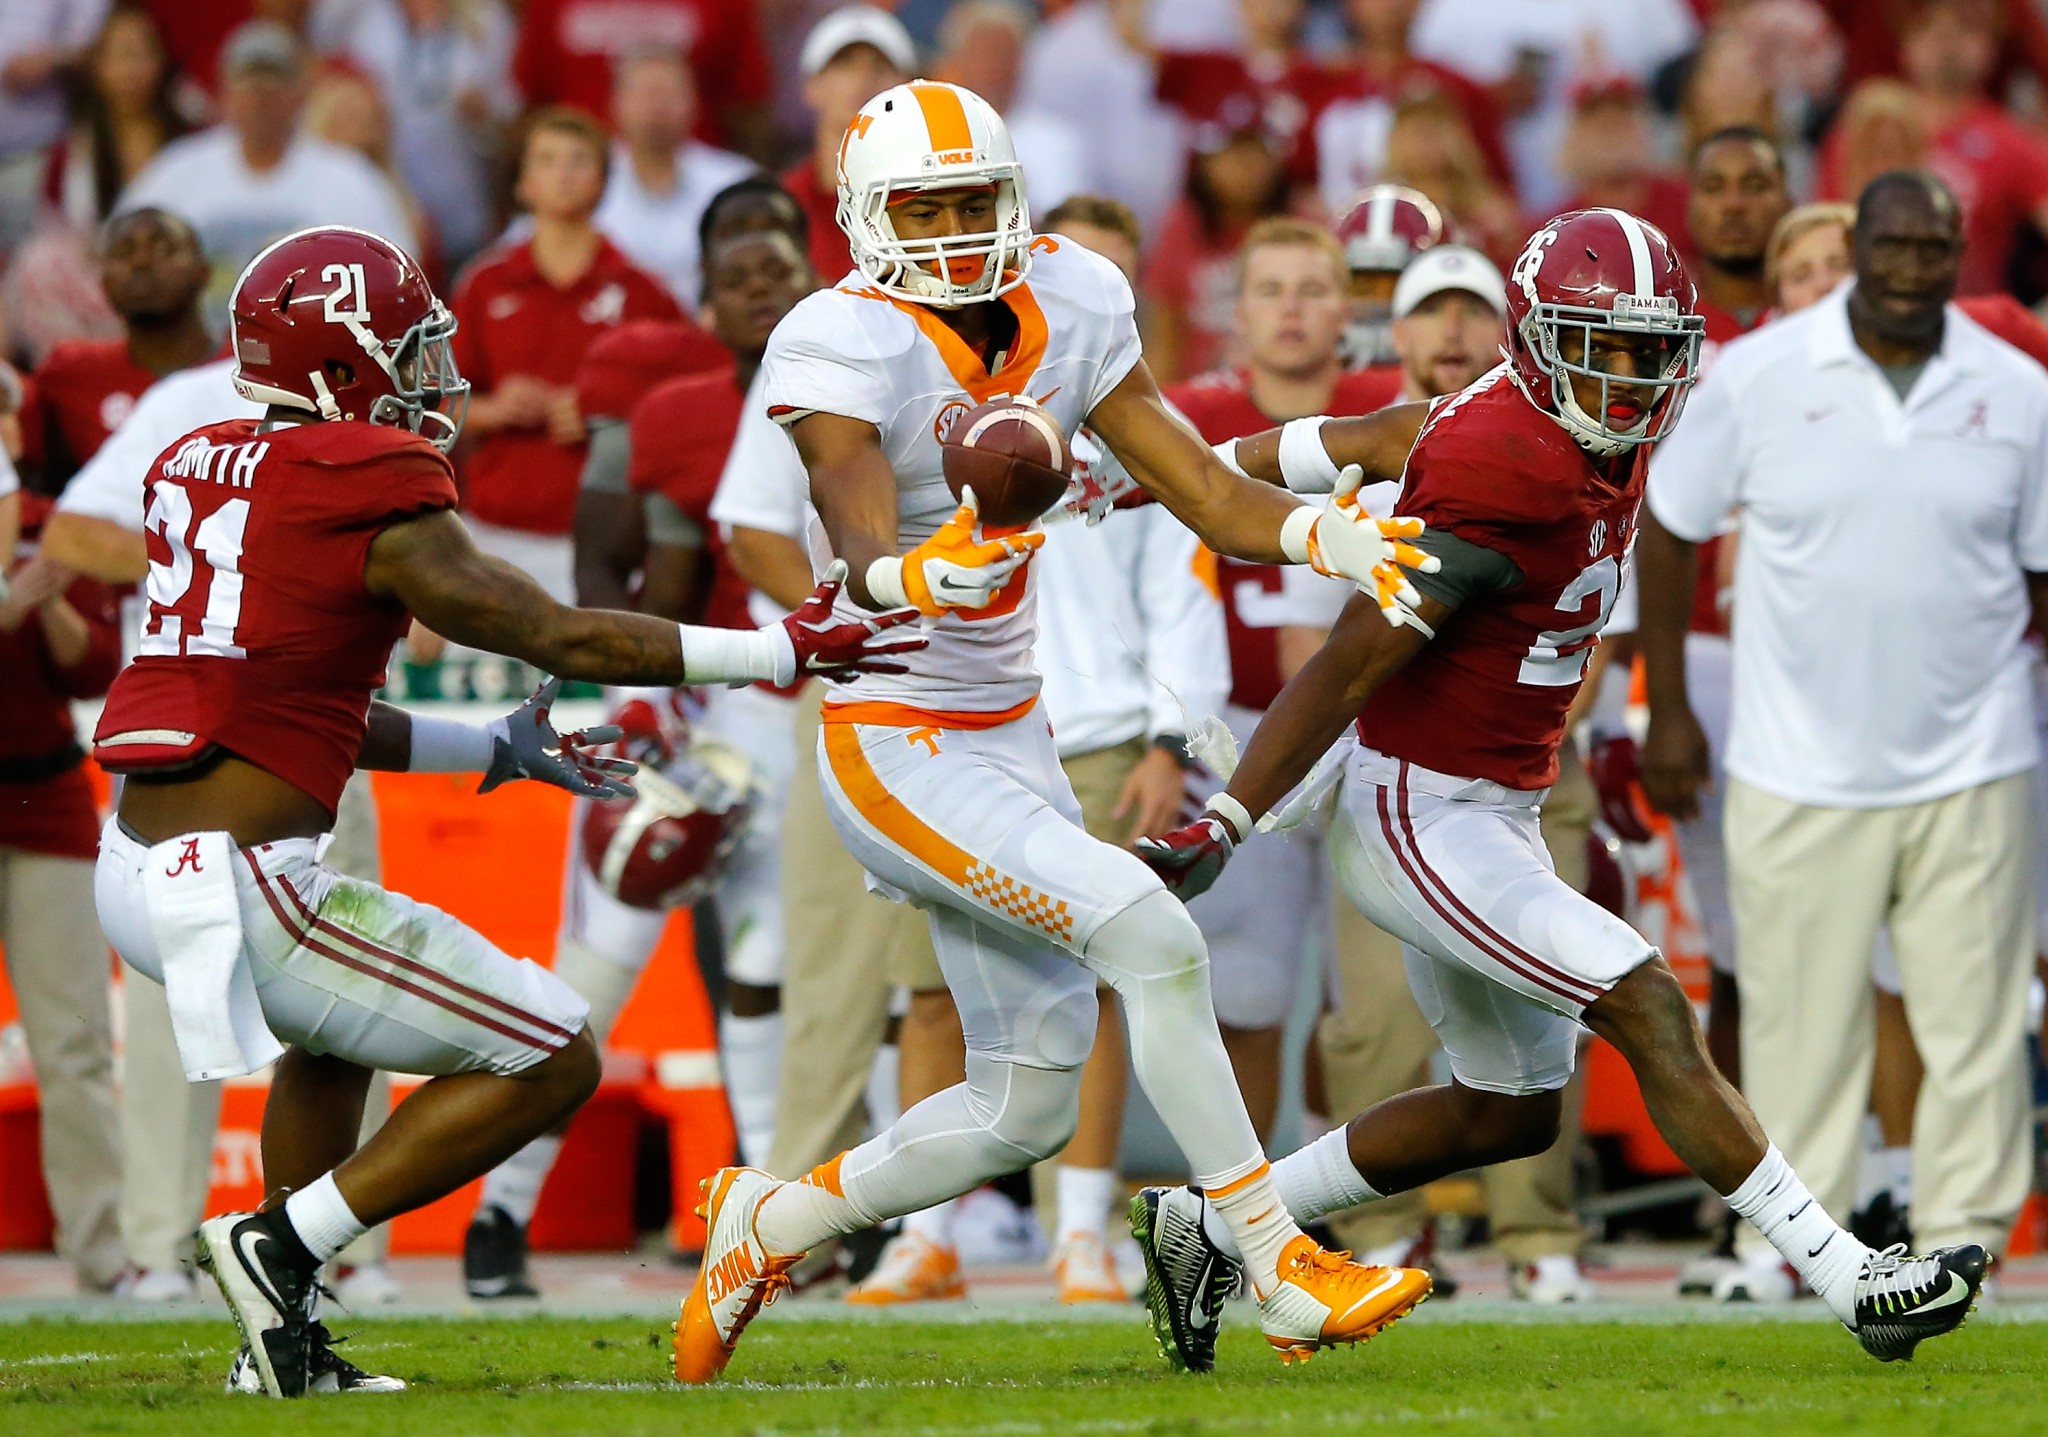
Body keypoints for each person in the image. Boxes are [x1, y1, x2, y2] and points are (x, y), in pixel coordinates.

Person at [673, 79, 1444, 1385]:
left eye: (978, 196)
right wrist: (911, 578)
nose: (964, 227)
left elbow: (1194, 481)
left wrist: (1323, 532)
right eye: (930, 204)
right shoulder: (835, 334)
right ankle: (1273, 1257)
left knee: (1020, 1103)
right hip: (892, 732)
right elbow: (854, 517)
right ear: (868, 215)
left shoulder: (1076, 296)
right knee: (1151, 930)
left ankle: (769, 1221)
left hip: (1011, 725)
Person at [1130, 205, 1989, 1373]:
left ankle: (1214, 1226)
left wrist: (1184, 469)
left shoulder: (1536, 419)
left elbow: (1368, 433)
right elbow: (1347, 660)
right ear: (1538, 340)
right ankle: (1850, 1278)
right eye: (1601, 344)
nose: (1628, 376)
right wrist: (1227, 817)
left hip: (1492, 802)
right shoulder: (1502, 468)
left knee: (1510, 1109)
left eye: (1647, 348)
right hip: (1420, 811)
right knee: (1643, 1003)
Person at [90, 223, 921, 1397]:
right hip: (245, 878)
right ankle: (281, 1246)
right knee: (552, 1054)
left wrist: (490, 746)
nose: (433, 369)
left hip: (136, 858)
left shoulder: (202, 465)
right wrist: (781, 646)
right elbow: (555, 631)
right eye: (411, 345)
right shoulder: (365, 483)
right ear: (344, 363)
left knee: (331, 1047)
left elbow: (303, 709)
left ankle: (275, 1345)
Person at [1635, 172, 2048, 1302]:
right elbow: (1667, 530)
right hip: (1791, 754)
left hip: (1975, 750)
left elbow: (2043, 572)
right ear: (1858, 245)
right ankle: (1789, 1247)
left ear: (1960, 254)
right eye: (1894, 245)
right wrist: (1667, 707)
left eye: (1934, 248)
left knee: (1972, 1015)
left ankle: (1961, 1234)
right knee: (1795, 1020)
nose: (1913, 267)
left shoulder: (2016, 392)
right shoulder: (1758, 376)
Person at [463, 197, 815, 1300]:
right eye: (739, 270)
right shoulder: (668, 409)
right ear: (704, 303)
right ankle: (498, 1215)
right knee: (600, 964)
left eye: (781, 264)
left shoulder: (873, 400)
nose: (762, 285)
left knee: (766, 973)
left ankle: (773, 1224)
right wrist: (642, 704)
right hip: (701, 707)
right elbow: (609, 577)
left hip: (806, 717)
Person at [1303, 240, 1600, 1303]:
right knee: (1377, 1015)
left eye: (1471, 312)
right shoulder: (1394, 437)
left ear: (1512, 330)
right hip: (1396, 766)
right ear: (1400, 331)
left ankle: (1539, 1231)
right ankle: (1375, 1230)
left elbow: (1592, 614)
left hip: (1534, 761)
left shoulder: (1584, 433)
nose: (1450, 333)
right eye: (1430, 312)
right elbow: (1324, 629)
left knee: (1549, 1020)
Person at [1015, 192, 1227, 1305]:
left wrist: (1168, 742)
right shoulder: (962, 400)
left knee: (1091, 985)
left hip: (1099, 740)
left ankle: (1080, 1230)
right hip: (973, 730)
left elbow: (1184, 601)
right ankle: (929, 1234)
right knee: (933, 993)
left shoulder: (1154, 427)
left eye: (1118, 274)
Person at [1165, 219, 1396, 1142]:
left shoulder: (1389, 409)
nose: (1293, 308)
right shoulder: (1184, 417)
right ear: (1239, 311)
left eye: (1312, 288)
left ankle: (1348, 1190)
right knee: (1252, 986)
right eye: (1271, 289)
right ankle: (1253, 1204)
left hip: (1370, 728)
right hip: (1238, 729)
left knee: (1369, 992)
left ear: (1347, 309)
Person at [448, 106, 680, 604]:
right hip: (494, 533)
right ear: (523, 183)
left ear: (602, 181)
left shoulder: (643, 291)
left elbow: (687, 403)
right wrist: (493, 410)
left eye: (579, 160)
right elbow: (430, 404)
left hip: (606, 539)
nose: (563, 173)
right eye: (547, 160)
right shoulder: (483, 286)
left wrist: (604, 412)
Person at [0, 451, 126, 1296]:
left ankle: (106, 1255)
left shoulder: (55, 525)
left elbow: (93, 665)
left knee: (74, 1039)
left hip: (39, 800)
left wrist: (41, 606)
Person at [114, 22, 416, 300]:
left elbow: (396, 278)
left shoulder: (349, 178)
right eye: (248, 84)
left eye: (273, 84)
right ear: (224, 91)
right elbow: (118, 257)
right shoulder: (176, 172)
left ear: (300, 93)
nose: (260, 98)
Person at [12, 209, 214, 498]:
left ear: (203, 272)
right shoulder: (69, 372)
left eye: (162, 248)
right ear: (103, 284)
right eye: (124, 252)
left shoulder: (250, 367)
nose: (141, 262)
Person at [335, 0, 520, 272]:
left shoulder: (485, 18)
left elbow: (512, 105)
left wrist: (484, 114)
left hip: (465, 186)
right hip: (397, 182)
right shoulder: (368, 18)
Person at [1142, 90, 1295, 382]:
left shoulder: (1302, 222)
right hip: (1199, 388)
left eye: (1256, 153)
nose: (1246, 166)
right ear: (1206, 162)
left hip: (1282, 388)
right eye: (1231, 153)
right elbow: (1166, 329)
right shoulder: (1183, 224)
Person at [593, 50, 758, 315]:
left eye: (669, 93)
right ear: (616, 102)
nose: (657, 105)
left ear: (694, 102)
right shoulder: (583, 179)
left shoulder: (737, 182)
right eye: (646, 93)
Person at [511, 0, 769, 159]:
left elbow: (745, 102)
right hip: (579, 175)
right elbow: (534, 99)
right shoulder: (549, 3)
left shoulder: (726, 4)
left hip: (691, 179)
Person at [780, 7, 915, 289]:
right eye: (845, 65)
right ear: (811, 86)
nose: (863, 79)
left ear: (908, 86)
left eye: (879, 66)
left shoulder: (933, 193)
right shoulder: (782, 202)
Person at [931, 2, 1089, 215]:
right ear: (956, 60)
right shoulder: (930, 133)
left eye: (1005, 53)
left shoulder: (1057, 141)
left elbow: (1064, 223)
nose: (994, 65)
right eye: (982, 53)